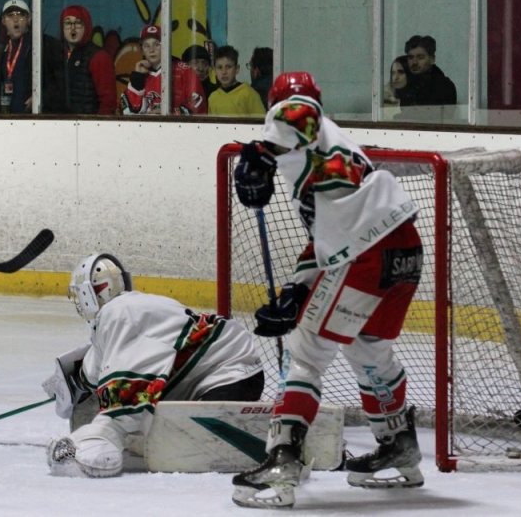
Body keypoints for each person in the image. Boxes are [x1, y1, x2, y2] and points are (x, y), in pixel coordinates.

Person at [230, 72, 424, 508]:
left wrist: (261, 152)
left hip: (368, 254)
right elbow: (328, 237)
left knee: (304, 353)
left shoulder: (299, 121)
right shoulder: (328, 152)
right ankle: (400, 446)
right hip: (404, 248)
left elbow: (299, 110)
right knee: (367, 349)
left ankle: (283, 461)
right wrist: (298, 290)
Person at [43, 253, 264, 478]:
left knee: (142, 423)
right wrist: (72, 381)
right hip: (229, 369)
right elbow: (93, 367)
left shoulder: (120, 313)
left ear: (91, 293)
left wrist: (105, 433)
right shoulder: (128, 309)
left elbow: (128, 392)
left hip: (228, 374)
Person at [120, 25, 207, 115]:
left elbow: (198, 105)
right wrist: (137, 81)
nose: (151, 50)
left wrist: (170, 114)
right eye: (146, 46)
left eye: (156, 44)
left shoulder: (184, 71)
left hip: (176, 128)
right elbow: (127, 112)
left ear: (166, 45)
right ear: (142, 49)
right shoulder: (141, 74)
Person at [0, 0, 65, 114]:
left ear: (29, 19)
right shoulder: (4, 50)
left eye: (20, 15)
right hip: (10, 118)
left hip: (36, 118)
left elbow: (61, 81)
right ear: (3, 21)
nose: (15, 19)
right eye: (10, 15)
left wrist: (41, 98)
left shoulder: (44, 44)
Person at [60, 5, 117, 115]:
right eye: (68, 23)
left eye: (78, 23)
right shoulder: (57, 54)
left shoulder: (99, 57)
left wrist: (97, 127)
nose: (73, 28)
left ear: (86, 26)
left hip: (89, 126)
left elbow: (108, 102)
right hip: (63, 126)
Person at [399, 35, 456, 119]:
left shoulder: (444, 86)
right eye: (411, 57)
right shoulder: (406, 83)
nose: (414, 62)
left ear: (432, 59)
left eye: (420, 57)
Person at [207, 45, 265, 117]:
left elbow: (261, 123)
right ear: (215, 70)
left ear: (237, 69)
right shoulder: (213, 98)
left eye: (228, 67)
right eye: (219, 67)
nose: (224, 72)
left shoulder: (248, 94)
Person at [383, 55, 412, 120]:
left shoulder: (421, 97)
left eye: (401, 72)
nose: (396, 77)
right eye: (393, 73)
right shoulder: (383, 97)